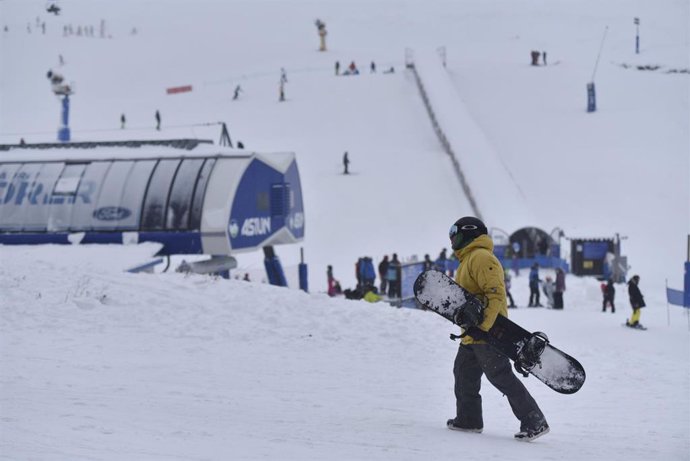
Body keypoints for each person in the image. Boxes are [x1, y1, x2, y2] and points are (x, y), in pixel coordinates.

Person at [446, 216, 549, 441]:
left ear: (468, 232)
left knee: (500, 376)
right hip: (472, 333)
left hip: (488, 333)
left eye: (454, 230)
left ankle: (534, 420)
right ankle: (469, 420)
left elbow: (495, 293)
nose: (451, 236)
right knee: (463, 374)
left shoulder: (481, 257)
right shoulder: (468, 259)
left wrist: (484, 325)